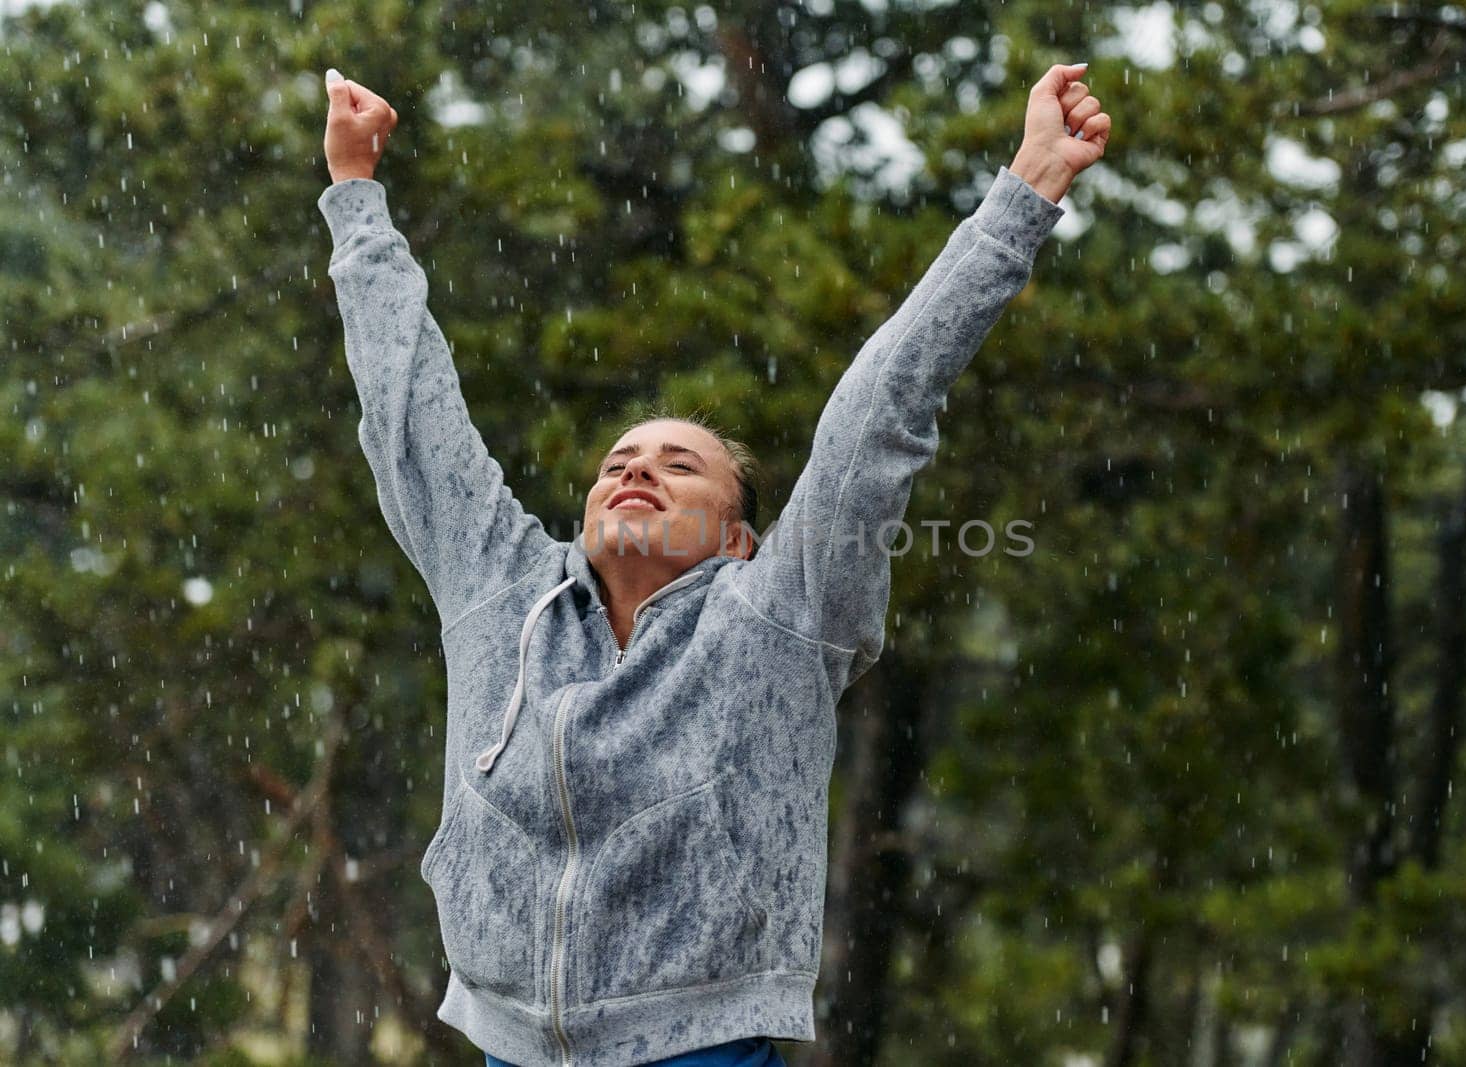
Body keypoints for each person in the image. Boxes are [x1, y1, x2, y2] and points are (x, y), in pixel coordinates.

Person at [318, 61, 1108, 1067]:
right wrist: (355, 197)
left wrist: (1024, 192)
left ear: (738, 536)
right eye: (619, 462)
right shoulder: (502, 588)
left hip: (700, 1047)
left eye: (678, 464)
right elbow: (407, 406)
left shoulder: (777, 613)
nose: (637, 470)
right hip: (507, 1044)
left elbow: (879, 415)